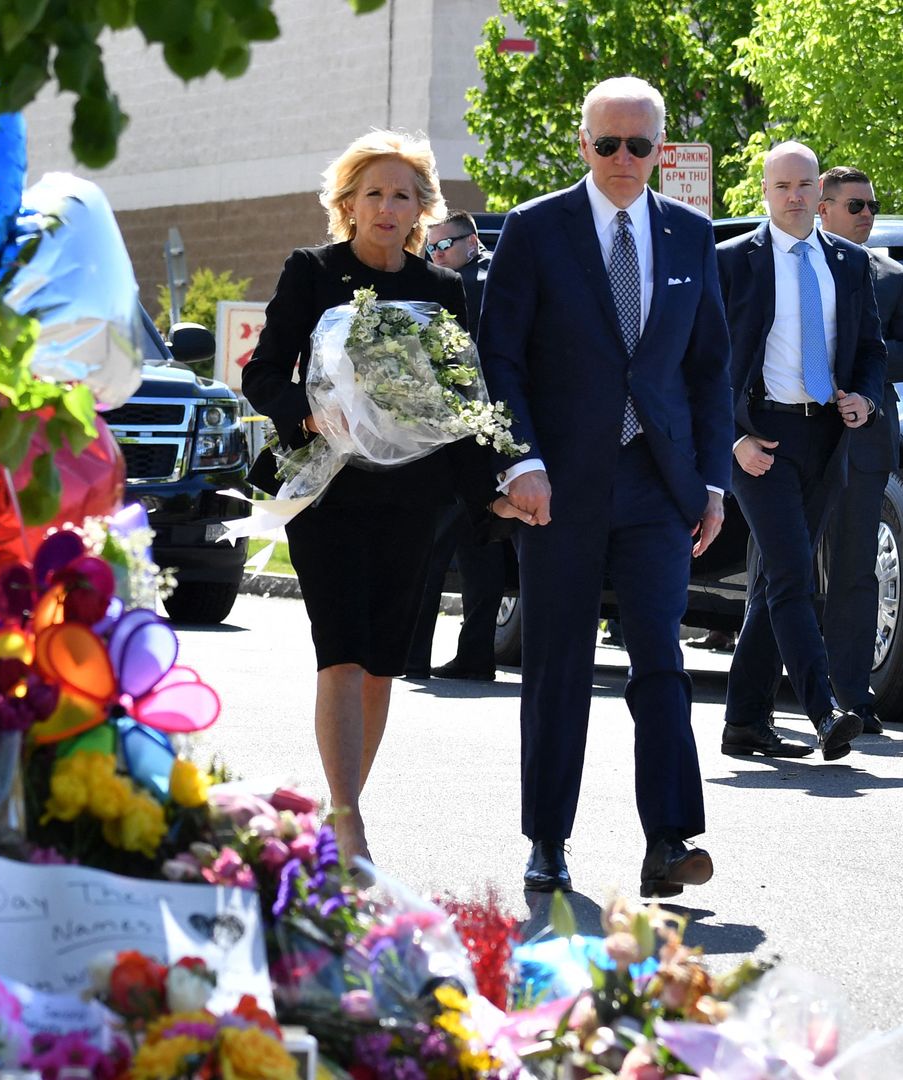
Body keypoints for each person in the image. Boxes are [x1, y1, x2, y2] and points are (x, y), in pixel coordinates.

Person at [477, 77, 732, 898]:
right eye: (607, 143)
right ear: (582, 142)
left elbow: (710, 370)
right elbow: (500, 358)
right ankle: (547, 839)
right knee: (558, 663)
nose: (624, 159)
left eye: (640, 145)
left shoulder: (692, 236)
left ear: (661, 147)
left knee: (662, 656)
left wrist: (713, 483)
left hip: (660, 486)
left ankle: (670, 839)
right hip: (559, 484)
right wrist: (520, 464)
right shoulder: (534, 228)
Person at [241, 131, 524, 865]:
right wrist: (304, 412)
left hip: (413, 498)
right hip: (331, 489)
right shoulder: (312, 272)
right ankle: (347, 817)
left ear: (422, 208)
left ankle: (340, 820)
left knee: (381, 663)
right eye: (374, 193)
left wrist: (497, 488)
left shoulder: (443, 289)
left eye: (403, 195)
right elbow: (264, 372)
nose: (388, 207)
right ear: (348, 203)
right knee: (339, 651)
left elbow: (464, 399)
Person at [722, 167, 903, 752]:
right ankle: (824, 711)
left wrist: (865, 395)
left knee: (774, 583)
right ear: (766, 192)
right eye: (782, 185)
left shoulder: (847, 263)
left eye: (804, 185)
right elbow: (700, 363)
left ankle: (742, 721)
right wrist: (730, 440)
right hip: (759, 440)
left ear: (819, 194)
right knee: (792, 573)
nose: (794, 195)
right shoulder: (733, 260)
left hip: (828, 439)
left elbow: (870, 347)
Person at [407, 211, 511, 682]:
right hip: (501, 436)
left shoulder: (463, 285)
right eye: (428, 250)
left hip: (455, 435)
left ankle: (412, 654)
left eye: (441, 247)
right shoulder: (504, 277)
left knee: (429, 549)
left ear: (471, 241)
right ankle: (476, 654)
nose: (434, 257)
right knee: (480, 549)